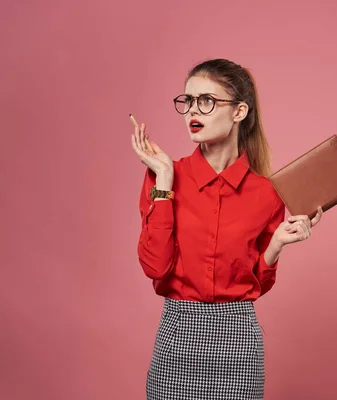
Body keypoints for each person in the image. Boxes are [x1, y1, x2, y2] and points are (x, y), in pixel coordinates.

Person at [130, 58, 323, 400]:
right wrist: (163, 180)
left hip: (238, 343)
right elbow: (155, 267)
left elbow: (257, 286)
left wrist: (276, 245)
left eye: (207, 101)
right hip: (177, 339)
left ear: (239, 112)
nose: (194, 110)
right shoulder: (164, 177)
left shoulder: (267, 193)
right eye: (188, 101)